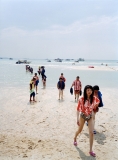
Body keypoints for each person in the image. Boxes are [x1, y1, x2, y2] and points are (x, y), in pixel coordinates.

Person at [74, 85, 100, 157]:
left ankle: (90, 150)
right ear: (85, 91)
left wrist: (94, 108)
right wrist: (77, 119)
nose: (89, 91)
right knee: (80, 130)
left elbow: (98, 102)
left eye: (91, 90)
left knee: (91, 133)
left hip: (90, 117)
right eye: (88, 90)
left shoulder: (94, 98)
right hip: (82, 116)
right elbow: (77, 109)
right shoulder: (81, 99)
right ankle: (75, 138)